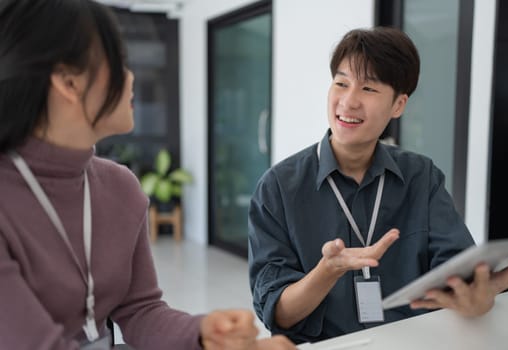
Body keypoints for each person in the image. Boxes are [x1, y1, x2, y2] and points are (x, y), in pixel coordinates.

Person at [0, 1, 296, 349]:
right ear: (69, 82)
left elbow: (141, 310)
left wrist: (203, 334)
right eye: (118, 61)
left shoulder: (119, 187)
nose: (131, 76)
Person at [248, 26, 508, 344]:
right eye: (341, 83)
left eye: (368, 89)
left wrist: (479, 298)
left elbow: (458, 274)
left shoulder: (421, 176)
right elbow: (278, 313)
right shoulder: (278, 188)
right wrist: (327, 270)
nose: (348, 101)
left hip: (414, 341)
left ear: (398, 105)